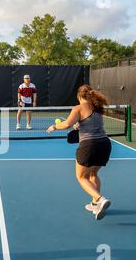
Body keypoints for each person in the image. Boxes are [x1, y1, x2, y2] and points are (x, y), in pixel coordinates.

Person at [46, 85, 112, 220]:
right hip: (105, 144)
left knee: (82, 177)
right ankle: (95, 204)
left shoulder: (78, 108)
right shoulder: (97, 108)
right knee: (93, 174)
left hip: (90, 146)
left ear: (78, 96)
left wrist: (54, 126)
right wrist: (79, 125)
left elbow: (66, 124)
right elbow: (91, 124)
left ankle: (100, 199)